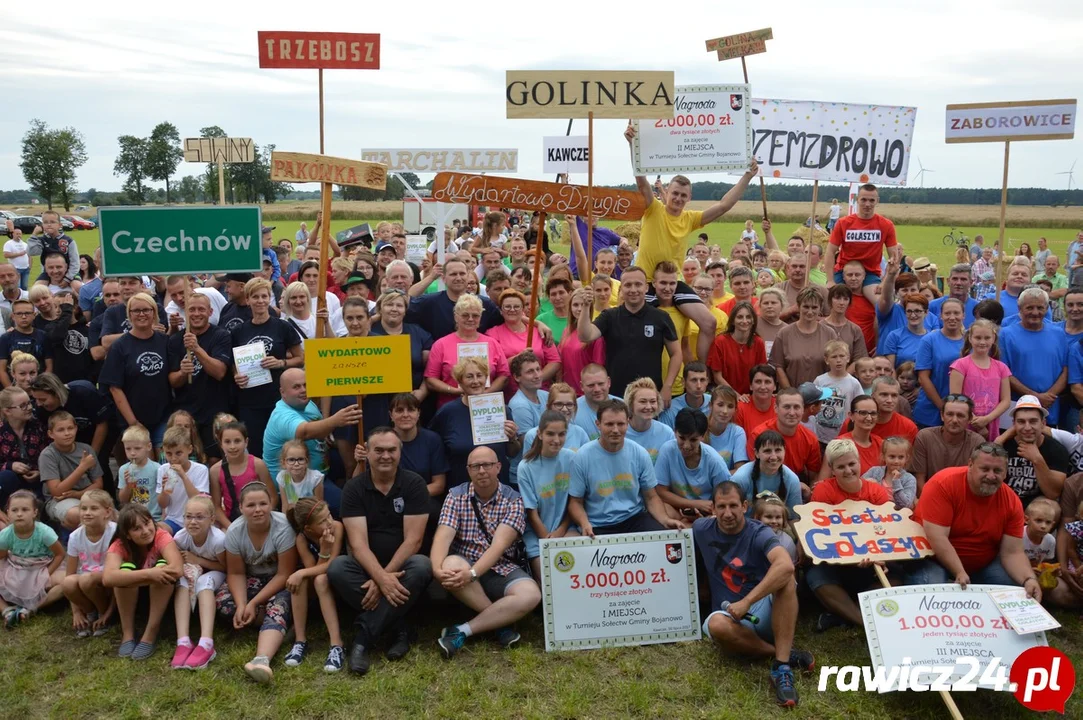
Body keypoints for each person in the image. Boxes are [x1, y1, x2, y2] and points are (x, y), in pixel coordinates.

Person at [624, 124, 754, 361]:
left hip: (674, 284)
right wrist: (633, 145)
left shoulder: (690, 219)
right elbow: (642, 183)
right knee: (641, 329)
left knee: (709, 321)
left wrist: (748, 176)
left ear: (689, 198)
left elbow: (724, 205)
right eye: (675, 193)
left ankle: (700, 372)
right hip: (649, 284)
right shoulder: (653, 209)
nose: (678, 199)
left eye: (683, 195)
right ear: (667, 192)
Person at [693, 482, 812, 708]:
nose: (728, 513)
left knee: (787, 579)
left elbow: (785, 565)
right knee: (717, 625)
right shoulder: (700, 528)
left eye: (733, 506)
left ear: (745, 506)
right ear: (713, 508)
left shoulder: (759, 531)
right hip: (727, 615)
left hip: (761, 609)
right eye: (721, 507)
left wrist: (747, 602)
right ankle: (781, 654)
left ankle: (781, 669)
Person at [431, 446, 540, 658]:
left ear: (498, 467)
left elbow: (498, 546)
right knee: (450, 566)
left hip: (500, 565)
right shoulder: (455, 495)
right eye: (475, 466)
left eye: (487, 465)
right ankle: (500, 624)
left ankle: (462, 630)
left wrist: (472, 574)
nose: (482, 470)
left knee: (532, 594)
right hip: (465, 562)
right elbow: (442, 536)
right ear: (468, 470)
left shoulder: (513, 499)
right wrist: (436, 569)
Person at [910, 443, 1041, 600]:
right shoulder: (943, 483)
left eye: (997, 471)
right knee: (931, 593)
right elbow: (936, 537)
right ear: (970, 465)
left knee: (1017, 592)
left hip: (982, 564)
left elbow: (1012, 552)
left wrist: (1029, 579)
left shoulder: (1011, 501)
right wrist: (959, 571)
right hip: (932, 559)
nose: (991, 476)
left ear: (1006, 472)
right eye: (985, 469)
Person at [808, 440, 894, 630]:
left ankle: (843, 614)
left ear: (859, 462)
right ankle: (864, 623)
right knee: (816, 577)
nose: (847, 470)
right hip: (836, 562)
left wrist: (881, 558)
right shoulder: (823, 490)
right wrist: (852, 557)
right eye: (840, 466)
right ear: (831, 469)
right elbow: (824, 535)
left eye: (851, 464)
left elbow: (886, 532)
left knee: (898, 577)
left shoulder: (877, 492)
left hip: (872, 561)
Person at [217, 482, 298, 683]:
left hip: (279, 580)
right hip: (251, 579)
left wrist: (253, 604)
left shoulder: (283, 528)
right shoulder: (235, 531)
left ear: (271, 504)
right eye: (251, 505)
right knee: (225, 604)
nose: (258, 510)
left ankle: (261, 660)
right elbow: (235, 573)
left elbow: (284, 573)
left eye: (263, 503)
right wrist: (242, 604)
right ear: (241, 508)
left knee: (278, 605)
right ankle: (279, 626)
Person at [566, 399, 683, 536]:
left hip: (634, 519)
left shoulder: (639, 453)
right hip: (598, 524)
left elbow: (651, 497)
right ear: (598, 424)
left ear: (627, 423)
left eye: (620, 424)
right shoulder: (582, 457)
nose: (615, 430)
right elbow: (575, 502)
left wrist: (665, 520)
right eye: (609, 424)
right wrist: (584, 523)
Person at [577, 266, 681, 403]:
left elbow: (676, 353)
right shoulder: (609, 316)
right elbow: (585, 336)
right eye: (628, 285)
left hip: (649, 396)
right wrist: (585, 306)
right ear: (621, 289)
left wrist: (668, 386)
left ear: (646, 287)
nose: (633, 290)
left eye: (638, 284)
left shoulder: (661, 317)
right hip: (616, 395)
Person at [230, 278, 304, 458]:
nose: (260, 301)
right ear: (247, 300)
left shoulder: (282, 326)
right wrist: (236, 376)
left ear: (269, 298)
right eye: (255, 297)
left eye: (264, 296)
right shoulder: (239, 331)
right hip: (250, 401)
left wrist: (281, 363)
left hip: (278, 399)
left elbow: (301, 358)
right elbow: (234, 364)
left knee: (284, 448)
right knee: (256, 449)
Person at [103, 504, 182, 659]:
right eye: (137, 529)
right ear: (127, 534)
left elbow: (177, 568)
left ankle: (151, 633)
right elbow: (108, 577)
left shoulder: (161, 535)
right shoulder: (119, 544)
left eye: (147, 523)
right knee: (124, 572)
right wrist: (149, 574)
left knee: (164, 568)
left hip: (160, 594)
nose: (145, 531)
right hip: (132, 595)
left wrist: (155, 574)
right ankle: (128, 633)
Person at [430, 356, 520, 489]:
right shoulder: (447, 413)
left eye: (480, 375)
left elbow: (512, 453)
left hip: (498, 488)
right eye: (469, 377)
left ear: (486, 378)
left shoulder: (502, 410)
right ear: (460, 381)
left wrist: (513, 438)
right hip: (460, 489)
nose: (476, 381)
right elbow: (434, 449)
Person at [280, 497, 345, 672]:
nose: (329, 522)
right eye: (323, 521)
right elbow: (313, 569)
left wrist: (300, 572)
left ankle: (336, 644)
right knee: (301, 582)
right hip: (317, 582)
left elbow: (331, 565)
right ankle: (300, 641)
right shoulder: (302, 539)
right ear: (309, 528)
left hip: (340, 579)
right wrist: (322, 551)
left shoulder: (337, 528)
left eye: (329, 515)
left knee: (318, 579)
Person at [166, 292, 232, 462]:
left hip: (213, 410)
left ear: (210, 312)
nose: (196, 314)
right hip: (186, 413)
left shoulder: (221, 336)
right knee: (186, 458)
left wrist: (196, 348)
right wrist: (182, 373)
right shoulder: (174, 340)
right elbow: (172, 381)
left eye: (201, 309)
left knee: (214, 460)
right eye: (192, 309)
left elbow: (220, 372)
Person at [517, 411, 579, 579]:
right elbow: (531, 512)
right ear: (540, 434)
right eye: (550, 434)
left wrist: (561, 530)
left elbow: (575, 502)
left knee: (573, 573)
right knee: (549, 580)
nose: (556, 440)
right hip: (538, 533)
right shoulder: (526, 467)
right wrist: (547, 540)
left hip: (567, 527)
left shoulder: (572, 459)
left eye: (561, 434)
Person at [170, 495, 227, 670]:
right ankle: (183, 640)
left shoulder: (218, 539)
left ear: (212, 519)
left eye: (199, 517)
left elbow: (226, 567)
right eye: (188, 517)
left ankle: (207, 642)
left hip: (217, 573)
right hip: (196, 571)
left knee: (205, 581)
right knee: (182, 580)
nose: (193, 522)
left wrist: (198, 560)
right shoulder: (180, 537)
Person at [425, 294, 511, 407]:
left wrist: (484, 394)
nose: (470, 319)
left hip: (486, 407)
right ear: (456, 317)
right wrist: (455, 391)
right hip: (452, 405)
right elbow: (431, 379)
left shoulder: (492, 343)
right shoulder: (441, 344)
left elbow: (504, 375)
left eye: (475, 315)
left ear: (480, 317)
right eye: (465, 315)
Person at [1000, 289, 1068, 427]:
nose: (1035, 312)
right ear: (1019, 308)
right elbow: (1004, 373)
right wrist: (1035, 397)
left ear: (1047, 308)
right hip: (1017, 409)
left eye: (1040, 307)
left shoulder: (1059, 334)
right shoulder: (1006, 335)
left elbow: (1065, 370)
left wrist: (1048, 396)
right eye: (1029, 307)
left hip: (1050, 406)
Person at [825, 184, 900, 308]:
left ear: (877, 201)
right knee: (828, 304)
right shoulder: (843, 223)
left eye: (871, 200)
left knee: (881, 306)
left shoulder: (886, 225)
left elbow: (894, 258)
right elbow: (830, 252)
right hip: (845, 272)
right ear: (857, 200)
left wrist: (884, 281)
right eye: (863, 200)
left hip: (870, 273)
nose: (867, 204)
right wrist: (830, 280)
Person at [0, 490, 66, 627]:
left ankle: (32, 608)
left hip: (42, 566)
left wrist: (48, 573)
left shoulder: (44, 532)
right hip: (16, 567)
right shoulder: (6, 534)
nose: (19, 514)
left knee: (65, 583)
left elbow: (60, 554)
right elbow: (2, 555)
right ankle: (7, 611)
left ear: (34, 512)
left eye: (25, 509)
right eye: (14, 510)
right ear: (8, 513)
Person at [655, 409, 731, 524]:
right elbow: (661, 492)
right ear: (675, 432)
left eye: (693, 440)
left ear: (703, 436)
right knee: (661, 510)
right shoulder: (667, 450)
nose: (686, 445)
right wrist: (695, 504)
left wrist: (707, 510)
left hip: (706, 512)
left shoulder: (715, 461)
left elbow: (725, 497)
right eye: (682, 438)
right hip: (677, 507)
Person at [61, 490, 116, 637]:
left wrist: (109, 612)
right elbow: (70, 573)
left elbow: (119, 573)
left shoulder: (115, 533)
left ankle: (105, 615)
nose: (87, 512)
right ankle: (89, 613)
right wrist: (76, 612)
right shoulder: (75, 537)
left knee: (86, 580)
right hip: (86, 583)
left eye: (94, 508)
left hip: (108, 582)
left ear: (107, 512)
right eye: (83, 508)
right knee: (67, 582)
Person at [486, 290, 561, 397]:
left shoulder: (538, 331)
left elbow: (555, 361)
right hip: (510, 393)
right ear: (501, 311)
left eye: (516, 306)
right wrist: (517, 358)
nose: (512, 310)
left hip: (540, 392)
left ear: (522, 310)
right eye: (507, 307)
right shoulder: (492, 334)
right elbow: (493, 368)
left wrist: (534, 379)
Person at [999, 396, 1069, 508]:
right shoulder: (1003, 444)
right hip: (1005, 502)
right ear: (1013, 424)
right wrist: (999, 440)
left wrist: (1037, 459)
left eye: (1033, 421)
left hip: (1037, 507)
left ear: (1043, 423)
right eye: (1021, 422)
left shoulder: (1056, 449)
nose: (1027, 427)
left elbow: (1053, 493)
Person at [948, 319, 1011, 441]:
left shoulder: (1001, 368)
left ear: (993, 339)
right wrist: (975, 421)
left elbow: (1005, 400)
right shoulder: (960, 365)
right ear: (970, 338)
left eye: (987, 338)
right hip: (965, 424)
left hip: (991, 424)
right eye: (978, 338)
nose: (982, 342)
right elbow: (955, 398)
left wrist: (987, 419)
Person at [40, 411, 103, 531]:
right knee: (79, 515)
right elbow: (56, 491)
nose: (67, 433)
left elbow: (99, 484)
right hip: (59, 500)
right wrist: (82, 468)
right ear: (51, 434)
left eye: (70, 428)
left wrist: (77, 494)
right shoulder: (47, 455)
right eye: (61, 430)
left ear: (76, 428)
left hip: (88, 495)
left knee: (115, 517)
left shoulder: (86, 449)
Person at [911, 394, 986, 493]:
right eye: (950, 414)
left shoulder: (977, 442)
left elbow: (975, 481)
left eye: (960, 415)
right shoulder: (925, 437)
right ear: (942, 416)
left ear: (970, 418)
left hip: (961, 498)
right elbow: (919, 479)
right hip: (929, 495)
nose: (954, 420)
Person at [747, 389, 822, 486]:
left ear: (803, 409)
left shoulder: (810, 439)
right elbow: (755, 471)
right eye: (787, 407)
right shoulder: (758, 434)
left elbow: (814, 478)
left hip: (797, 484)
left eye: (796, 407)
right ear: (776, 408)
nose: (792, 413)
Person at [913, 298, 966, 428]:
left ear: (963, 315)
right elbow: (923, 378)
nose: (952, 317)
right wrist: (944, 408)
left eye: (956, 313)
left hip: (962, 411)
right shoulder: (929, 340)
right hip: (931, 411)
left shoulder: (970, 340)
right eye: (947, 313)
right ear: (940, 316)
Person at [770, 288, 837, 389]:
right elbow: (778, 367)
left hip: (822, 396)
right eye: (806, 307)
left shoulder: (830, 334)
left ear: (820, 308)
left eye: (814, 307)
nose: (810, 312)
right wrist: (791, 394)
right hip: (791, 396)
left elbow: (834, 366)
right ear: (798, 306)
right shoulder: (784, 333)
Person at [731, 430, 801, 517]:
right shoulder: (740, 478)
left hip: (777, 527)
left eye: (778, 450)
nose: (774, 457)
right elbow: (732, 513)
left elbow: (793, 518)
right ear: (756, 453)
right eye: (767, 451)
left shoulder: (792, 479)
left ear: (784, 451)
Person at [156, 427, 211, 535]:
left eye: (178, 453)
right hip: (173, 520)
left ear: (189, 449)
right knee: (159, 530)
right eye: (169, 453)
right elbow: (163, 504)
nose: (173, 458)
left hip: (196, 520)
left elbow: (199, 500)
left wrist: (183, 476)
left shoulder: (200, 469)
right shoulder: (163, 469)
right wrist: (164, 490)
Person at [0, 386, 48, 509]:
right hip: (11, 482)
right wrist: (11, 466)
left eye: (29, 403)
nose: (30, 408)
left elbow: (50, 453)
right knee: (6, 476)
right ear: (7, 411)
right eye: (23, 406)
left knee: (38, 502)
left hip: (38, 479)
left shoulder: (38, 425)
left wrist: (40, 471)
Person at [707, 302, 766, 397]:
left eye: (748, 317)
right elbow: (717, 377)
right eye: (740, 317)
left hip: (750, 396)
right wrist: (737, 396)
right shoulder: (720, 342)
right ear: (733, 321)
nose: (744, 320)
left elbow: (761, 374)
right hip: (725, 395)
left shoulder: (758, 342)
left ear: (753, 320)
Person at [812, 341, 863, 445]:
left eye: (842, 356)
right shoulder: (820, 381)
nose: (838, 360)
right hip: (820, 435)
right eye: (834, 357)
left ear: (848, 358)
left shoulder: (854, 383)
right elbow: (812, 404)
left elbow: (860, 406)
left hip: (843, 436)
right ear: (826, 360)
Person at [558, 289, 606, 397]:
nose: (579, 309)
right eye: (575, 305)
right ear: (570, 307)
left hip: (585, 393)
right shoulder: (566, 331)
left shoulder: (594, 335)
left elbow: (597, 368)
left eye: (583, 305)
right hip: (567, 393)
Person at [521, 382, 592, 452]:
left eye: (569, 404)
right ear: (548, 407)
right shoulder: (532, 435)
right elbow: (529, 463)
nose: (564, 409)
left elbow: (587, 461)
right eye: (559, 404)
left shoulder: (580, 433)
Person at [0, 300, 51, 386]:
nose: (23, 316)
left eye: (27, 313)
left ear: (34, 315)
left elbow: (49, 366)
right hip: (15, 387)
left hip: (39, 386)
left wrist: (42, 387)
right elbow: (2, 370)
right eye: (19, 313)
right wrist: (12, 391)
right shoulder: (5, 338)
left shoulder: (43, 336)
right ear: (13, 316)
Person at [623, 378, 674, 463]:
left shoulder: (667, 433)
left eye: (653, 401)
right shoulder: (620, 432)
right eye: (643, 402)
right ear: (630, 404)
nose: (648, 407)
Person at [862, 436, 917, 510]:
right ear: (883, 456)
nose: (896, 461)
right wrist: (868, 485)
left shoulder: (909, 479)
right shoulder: (874, 471)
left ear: (906, 458)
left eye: (901, 457)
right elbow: (858, 488)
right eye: (892, 456)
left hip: (897, 518)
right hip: (872, 514)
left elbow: (905, 505)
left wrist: (896, 482)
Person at [834, 395, 884, 475]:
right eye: (863, 413)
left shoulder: (881, 444)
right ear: (851, 415)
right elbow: (824, 479)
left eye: (873, 413)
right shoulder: (838, 444)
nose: (869, 418)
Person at [707, 386, 749, 470]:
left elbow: (740, 470)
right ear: (710, 405)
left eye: (730, 406)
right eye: (720, 405)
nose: (725, 411)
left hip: (726, 482)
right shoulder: (699, 427)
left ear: (735, 410)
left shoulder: (738, 432)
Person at [882, 293, 928, 369]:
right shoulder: (894, 336)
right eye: (909, 311)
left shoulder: (932, 337)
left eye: (917, 311)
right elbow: (890, 369)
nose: (913, 315)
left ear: (926, 312)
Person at [869, 376, 918, 444]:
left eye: (894, 395)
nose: (889, 400)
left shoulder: (908, 427)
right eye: (884, 395)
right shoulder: (858, 422)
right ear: (873, 396)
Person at [1022, 497, 1058, 566]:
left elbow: (1046, 561)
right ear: (1026, 520)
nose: (1043, 526)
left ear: (1052, 525)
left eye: (1048, 522)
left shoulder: (1050, 540)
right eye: (1038, 520)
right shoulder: (1018, 536)